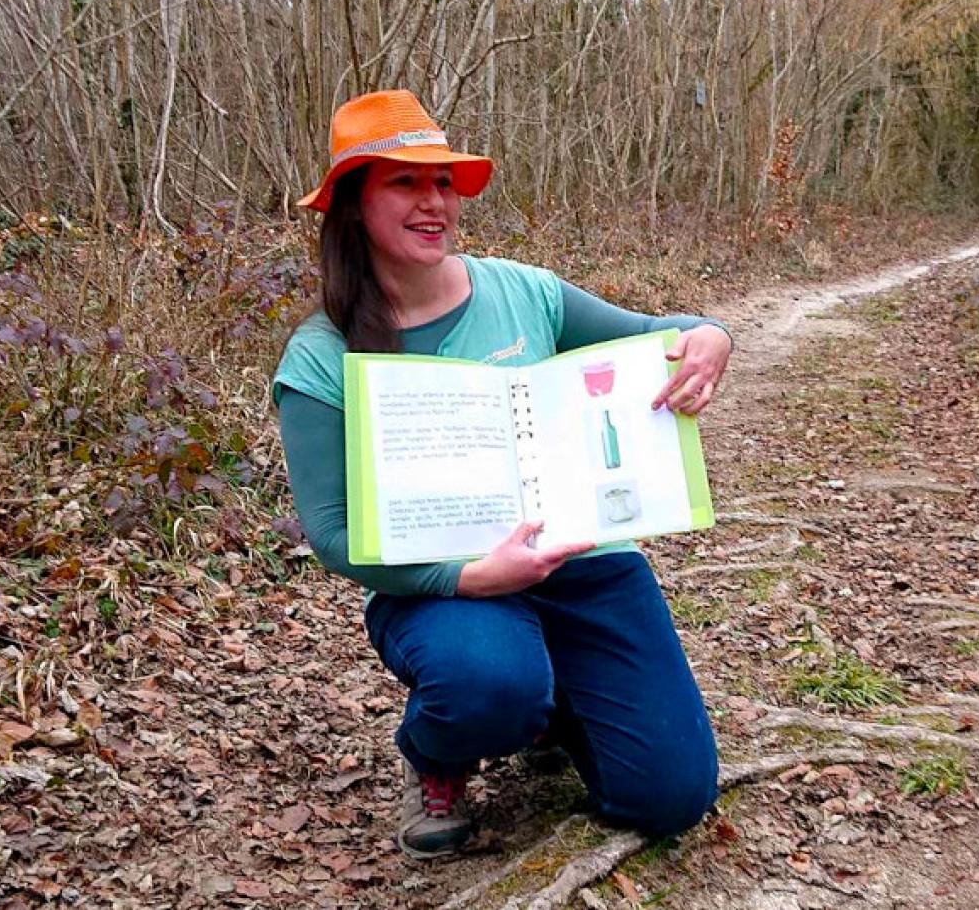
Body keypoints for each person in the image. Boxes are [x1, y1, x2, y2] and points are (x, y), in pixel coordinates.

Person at [272, 90, 732, 860]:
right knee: (489, 683)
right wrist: (469, 577)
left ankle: (554, 708)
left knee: (671, 797)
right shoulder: (321, 358)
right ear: (353, 205)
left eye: (444, 183)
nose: (434, 203)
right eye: (404, 182)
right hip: (447, 586)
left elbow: (663, 334)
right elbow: (332, 533)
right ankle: (441, 752)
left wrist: (712, 335)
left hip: (588, 566)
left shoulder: (525, 291)